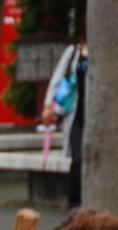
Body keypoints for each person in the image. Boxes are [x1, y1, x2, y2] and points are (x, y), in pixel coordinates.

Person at [42, 33, 87, 209]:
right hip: (75, 113)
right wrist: (48, 105)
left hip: (95, 115)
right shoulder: (74, 52)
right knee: (77, 158)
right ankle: (75, 202)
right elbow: (58, 78)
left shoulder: (105, 50)